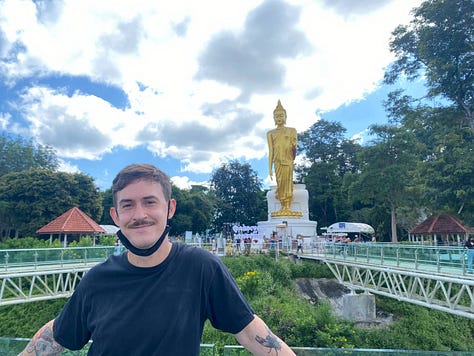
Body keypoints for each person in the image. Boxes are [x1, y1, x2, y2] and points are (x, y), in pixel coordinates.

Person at [20, 164, 295, 356]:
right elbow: (58, 333)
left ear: (170, 208)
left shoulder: (200, 267)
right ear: (115, 217)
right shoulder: (97, 279)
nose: (139, 214)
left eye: (150, 202)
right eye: (127, 205)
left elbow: (248, 330)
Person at [267, 100, 297, 214]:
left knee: (288, 183)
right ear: (274, 118)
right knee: (280, 183)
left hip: (288, 161)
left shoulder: (292, 131)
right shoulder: (270, 133)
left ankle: (287, 207)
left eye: (281, 115)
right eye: (276, 116)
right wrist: (269, 168)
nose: (279, 118)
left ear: (285, 116)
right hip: (277, 161)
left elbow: (294, 153)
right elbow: (271, 151)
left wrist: (293, 147)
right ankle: (282, 206)